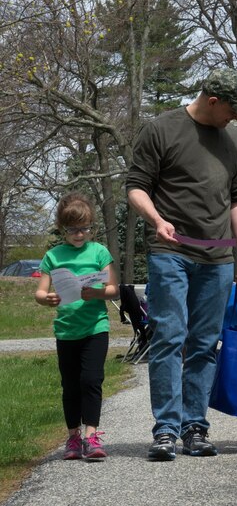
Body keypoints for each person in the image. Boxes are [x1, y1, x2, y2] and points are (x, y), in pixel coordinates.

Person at [126, 68, 237, 461]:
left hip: (217, 257)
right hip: (171, 251)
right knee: (169, 336)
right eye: (233, 110)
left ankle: (194, 427)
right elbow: (136, 185)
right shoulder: (161, 129)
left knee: (204, 343)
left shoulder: (233, 139)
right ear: (213, 101)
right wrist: (156, 220)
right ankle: (165, 429)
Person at [35, 192, 119, 460]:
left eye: (85, 228)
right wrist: (47, 299)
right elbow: (40, 292)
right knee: (70, 385)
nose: (80, 234)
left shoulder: (99, 252)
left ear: (91, 226)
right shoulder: (53, 255)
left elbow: (113, 289)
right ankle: (73, 438)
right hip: (66, 330)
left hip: (95, 327)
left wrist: (95, 293)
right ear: (62, 228)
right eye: (73, 229)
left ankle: (91, 436)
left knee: (91, 380)